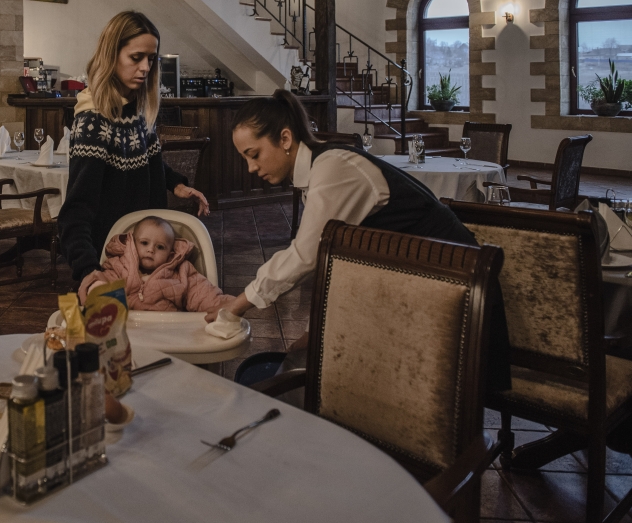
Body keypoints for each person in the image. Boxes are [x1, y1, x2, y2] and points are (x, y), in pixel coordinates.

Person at [209, 89, 510, 391]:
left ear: (285, 139)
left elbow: (305, 256)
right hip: (422, 291)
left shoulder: (334, 167)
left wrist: (238, 305)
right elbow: (335, 263)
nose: (250, 168)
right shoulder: (320, 169)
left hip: (457, 293)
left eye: (254, 154)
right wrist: (315, 331)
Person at [58, 11, 210, 285]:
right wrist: (87, 271)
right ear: (111, 55)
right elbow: (76, 211)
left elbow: (147, 160)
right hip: (112, 263)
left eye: (151, 59)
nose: (145, 68)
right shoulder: (94, 120)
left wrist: (175, 184)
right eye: (136, 57)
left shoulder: (137, 110)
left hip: (146, 256)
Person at [79, 216, 233, 312]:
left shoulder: (181, 272)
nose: (151, 250)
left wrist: (227, 305)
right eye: (144, 243)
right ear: (133, 243)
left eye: (160, 247)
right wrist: (97, 291)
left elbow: (202, 294)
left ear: (170, 253)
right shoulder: (119, 267)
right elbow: (103, 284)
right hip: (129, 333)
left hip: (169, 335)